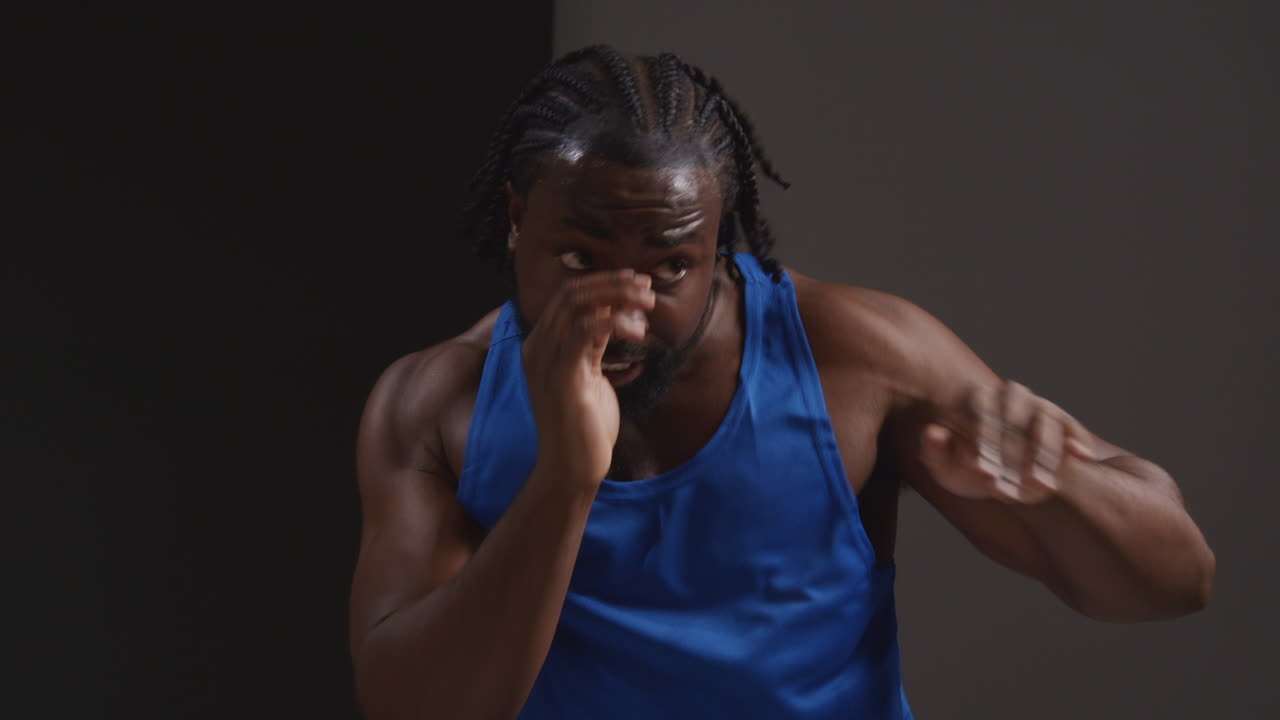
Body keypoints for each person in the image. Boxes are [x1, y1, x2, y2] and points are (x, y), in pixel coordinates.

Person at [347, 45, 1215, 719]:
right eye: (579, 260)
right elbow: (409, 708)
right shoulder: (437, 405)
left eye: (670, 267)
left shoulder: (854, 359)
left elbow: (1177, 582)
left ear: (717, 242)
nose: (626, 316)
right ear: (515, 219)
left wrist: (1055, 484)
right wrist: (564, 480)